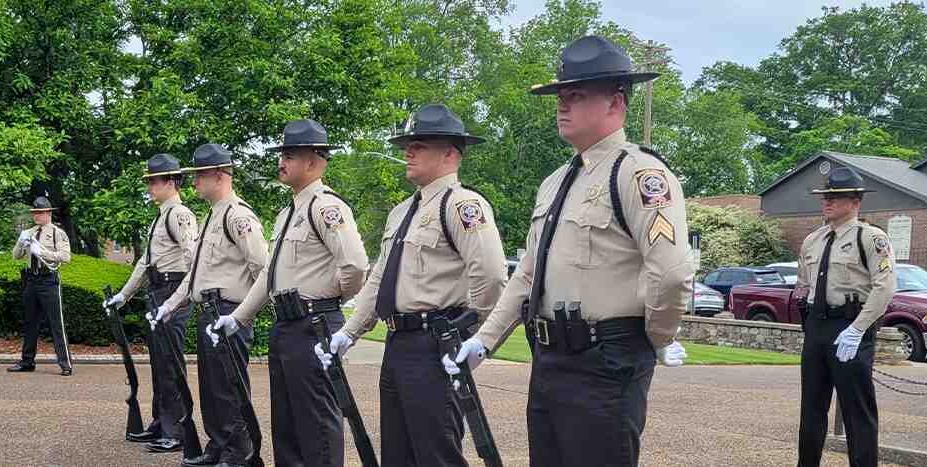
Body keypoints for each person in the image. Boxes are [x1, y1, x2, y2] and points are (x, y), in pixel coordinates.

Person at [451, 35, 692, 467]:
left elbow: (671, 273)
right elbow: (528, 273)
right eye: (561, 95)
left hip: (607, 362)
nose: (562, 104)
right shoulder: (556, 182)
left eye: (576, 95)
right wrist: (484, 341)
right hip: (550, 359)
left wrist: (658, 338)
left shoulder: (639, 174)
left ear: (615, 103)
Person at [319, 103, 508, 466]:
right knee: (397, 451)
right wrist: (350, 332)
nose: (408, 151)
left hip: (436, 343)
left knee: (436, 452)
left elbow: (492, 275)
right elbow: (379, 279)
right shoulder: (402, 211)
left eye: (420, 144)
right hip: (398, 343)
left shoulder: (462, 205)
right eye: (408, 143)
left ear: (450, 152)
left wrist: (472, 335)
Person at [224, 118, 370, 467]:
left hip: (314, 324)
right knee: (286, 423)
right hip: (287, 327)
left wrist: (328, 301)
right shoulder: (287, 213)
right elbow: (270, 276)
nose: (281, 162)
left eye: (290, 155)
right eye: (282, 154)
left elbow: (355, 266)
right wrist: (239, 317)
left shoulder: (326, 207)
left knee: (316, 420)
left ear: (314, 161)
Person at [156, 143, 270, 467]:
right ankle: (218, 447)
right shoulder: (212, 216)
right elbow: (195, 274)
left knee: (229, 388)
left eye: (199, 176)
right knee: (212, 388)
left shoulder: (238, 215)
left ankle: (238, 453)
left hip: (228, 311)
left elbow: (262, 268)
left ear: (219, 176)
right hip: (209, 311)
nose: (193, 183)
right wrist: (171, 304)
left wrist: (241, 315)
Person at [796, 166, 896, 467]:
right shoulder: (813, 240)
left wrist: (858, 329)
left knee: (857, 411)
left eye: (836, 197)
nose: (827, 201)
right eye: (826, 196)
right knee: (811, 408)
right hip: (817, 326)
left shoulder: (871, 237)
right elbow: (803, 283)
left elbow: (885, 287)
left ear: (856, 202)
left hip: (850, 325)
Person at [102, 153, 199, 453]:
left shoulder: (180, 215)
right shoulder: (160, 216)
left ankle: (178, 430)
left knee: (170, 364)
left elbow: (192, 262)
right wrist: (124, 294)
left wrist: (177, 299)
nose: (149, 187)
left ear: (171, 182)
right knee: (159, 363)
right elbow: (145, 263)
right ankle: (161, 422)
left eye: (153, 181)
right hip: (158, 290)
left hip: (174, 291)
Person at [8, 195, 75, 376]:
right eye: (34, 213)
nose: (36, 216)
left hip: (48, 280)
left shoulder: (56, 233)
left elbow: (65, 256)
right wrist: (21, 243)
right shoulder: (29, 232)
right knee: (30, 323)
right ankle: (27, 361)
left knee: (56, 323)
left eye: (39, 212)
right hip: (31, 280)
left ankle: (65, 363)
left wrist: (43, 252)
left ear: (48, 213)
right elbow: (16, 256)